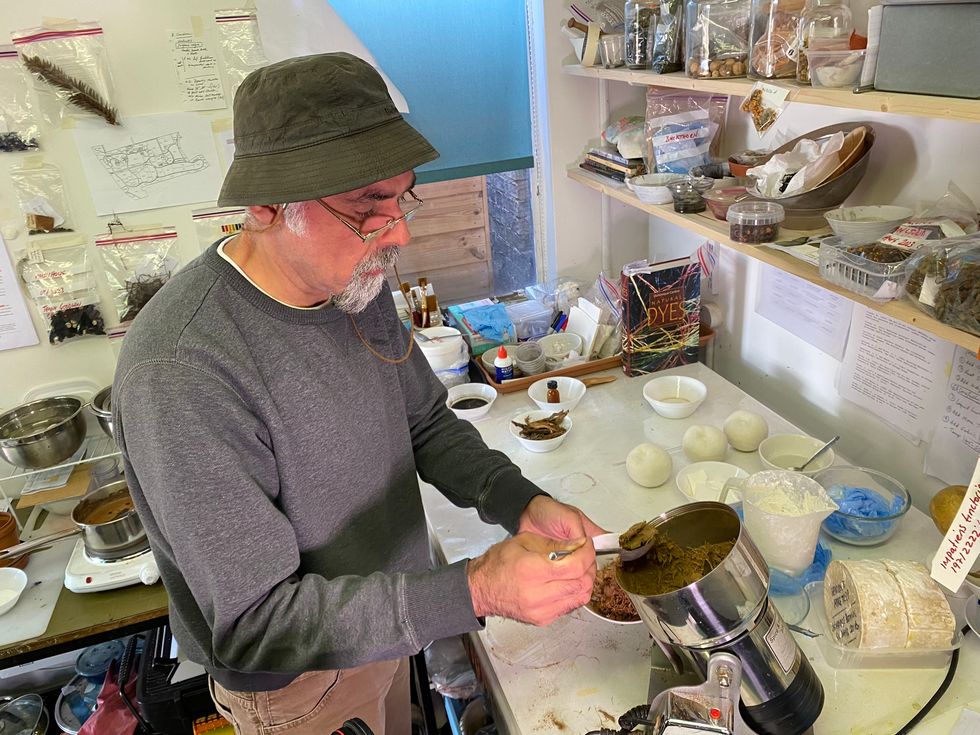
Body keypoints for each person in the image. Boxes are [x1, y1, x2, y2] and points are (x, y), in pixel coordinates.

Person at [112, 52, 603, 735]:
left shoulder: (354, 284)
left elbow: (425, 420)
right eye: (367, 209)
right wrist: (477, 588)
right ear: (265, 206)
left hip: (389, 623)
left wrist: (516, 499)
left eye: (401, 196)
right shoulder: (182, 371)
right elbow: (255, 623)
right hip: (297, 686)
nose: (397, 230)